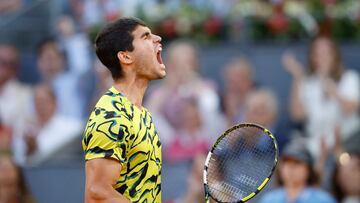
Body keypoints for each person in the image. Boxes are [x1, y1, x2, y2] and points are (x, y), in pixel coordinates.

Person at [82, 17, 166, 203]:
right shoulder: (112, 115)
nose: (158, 38)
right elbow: (97, 193)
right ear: (126, 56)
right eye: (145, 36)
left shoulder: (142, 114)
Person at [283, 35, 360, 158]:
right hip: (316, 143)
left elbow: (351, 109)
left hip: (348, 141)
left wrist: (331, 88)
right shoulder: (307, 82)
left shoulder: (350, 78)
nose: (321, 57)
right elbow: (297, 115)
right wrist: (298, 77)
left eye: (326, 53)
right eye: (317, 53)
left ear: (335, 55)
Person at [260, 139, 336, 203]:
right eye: (287, 162)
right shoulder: (268, 200)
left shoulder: (324, 200)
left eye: (297, 163)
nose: (291, 168)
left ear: (309, 170)